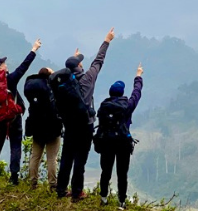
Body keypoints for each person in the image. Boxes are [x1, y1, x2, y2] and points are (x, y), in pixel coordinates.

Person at [54, 27, 116, 201]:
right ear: (80, 66)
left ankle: (60, 190)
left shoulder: (64, 83)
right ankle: (76, 193)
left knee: (66, 157)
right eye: (80, 62)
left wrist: (74, 58)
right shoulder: (88, 78)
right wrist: (107, 41)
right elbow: (98, 61)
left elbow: (69, 68)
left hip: (70, 125)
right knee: (80, 160)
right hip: (85, 126)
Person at [0, 38, 42, 185]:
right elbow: (24, 66)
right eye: (3, 63)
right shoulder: (11, 79)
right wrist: (34, 50)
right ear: (0, 68)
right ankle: (14, 177)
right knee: (15, 146)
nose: (5, 64)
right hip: (13, 119)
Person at [97, 64, 144, 209]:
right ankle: (121, 202)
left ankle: (103, 198)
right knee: (122, 173)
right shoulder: (127, 106)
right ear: (122, 93)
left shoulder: (103, 106)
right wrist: (138, 76)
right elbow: (136, 93)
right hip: (123, 143)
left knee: (106, 171)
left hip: (106, 142)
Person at [25, 67, 63, 191]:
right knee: (52, 158)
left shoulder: (31, 88)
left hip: (36, 127)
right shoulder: (50, 88)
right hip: (51, 128)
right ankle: (53, 184)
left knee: (35, 156)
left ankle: (32, 183)